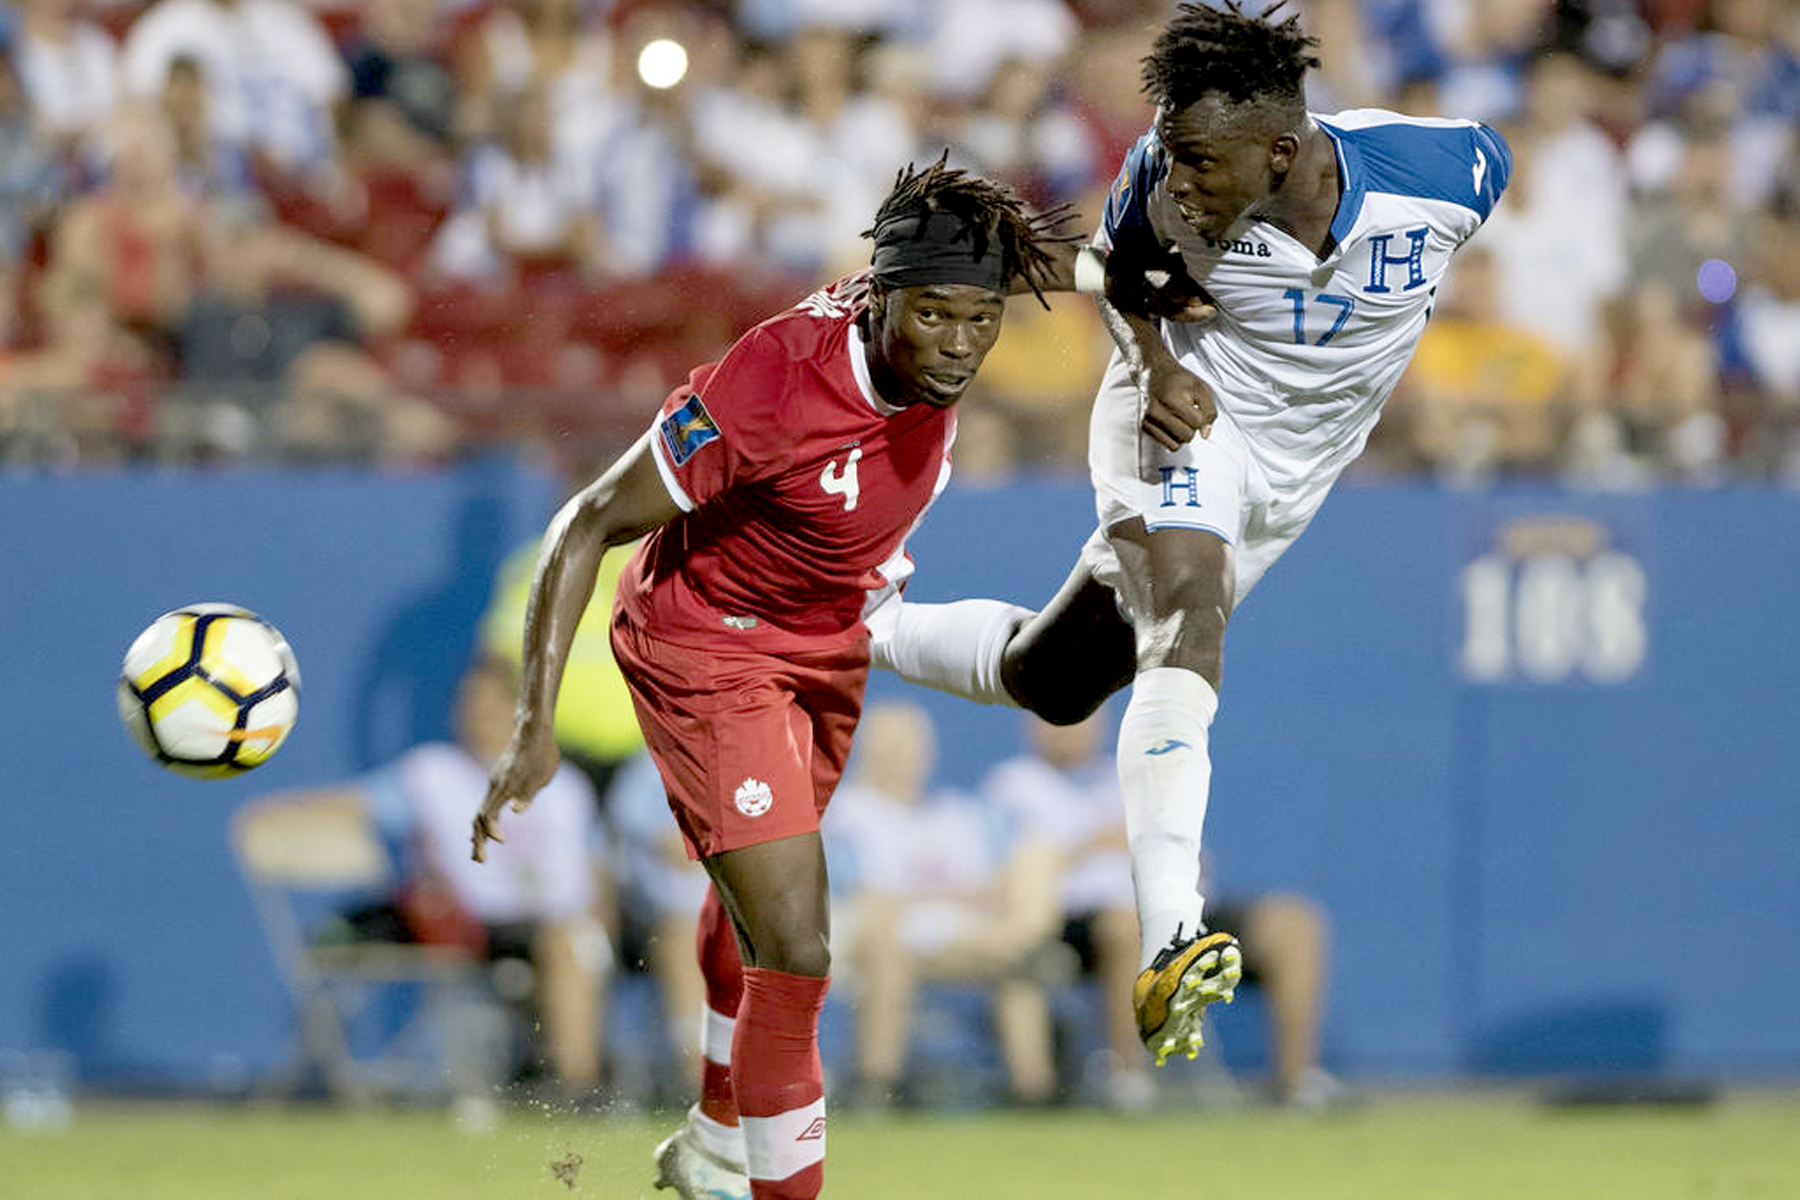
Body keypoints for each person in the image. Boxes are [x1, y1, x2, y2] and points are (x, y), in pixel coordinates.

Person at [872, 2, 1512, 1069]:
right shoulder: (1163, 195)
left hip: (1300, 475)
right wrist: (1158, 363)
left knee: (1059, 677)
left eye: (1201, 160)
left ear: (1279, 149)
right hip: (1186, 407)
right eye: (1168, 155)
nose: (1178, 179)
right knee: (1190, 619)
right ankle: (1173, 928)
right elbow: (1119, 281)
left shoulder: (1445, 173)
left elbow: (1490, 170)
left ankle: (856, 626)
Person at [471, 159, 1074, 1200]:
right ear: (878, 296)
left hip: (823, 646)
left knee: (754, 908)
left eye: (983, 321)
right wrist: (534, 724)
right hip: (706, 644)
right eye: (935, 316)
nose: (962, 345)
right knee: (797, 947)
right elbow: (584, 525)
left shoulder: (936, 372)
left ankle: (713, 1132)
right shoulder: (771, 383)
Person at [236, 656, 609, 1100]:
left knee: (584, 939)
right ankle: (577, 1091)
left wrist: (599, 925)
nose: (479, 714)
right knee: (568, 942)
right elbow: (351, 804)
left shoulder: (564, 785)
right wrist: (270, 814)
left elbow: (595, 871)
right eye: (469, 703)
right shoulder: (433, 775)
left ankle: (571, 1078)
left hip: (555, 924)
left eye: (493, 703)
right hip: (470, 924)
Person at [984, 711, 1341, 1110]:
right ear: (1035, 724)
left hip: (1175, 908)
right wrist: (1092, 845)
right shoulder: (1011, 787)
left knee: (1293, 923)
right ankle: (1128, 1080)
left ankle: (1295, 1080)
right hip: (1079, 917)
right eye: (1058, 715)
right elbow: (999, 878)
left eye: (1081, 715)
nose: (1071, 726)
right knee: (1127, 925)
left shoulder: (1136, 775)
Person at [827, 700, 1063, 1110]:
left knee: (1035, 863)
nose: (903, 757)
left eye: (911, 746)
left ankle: (1033, 1092)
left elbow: (994, 887)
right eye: (892, 747)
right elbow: (866, 901)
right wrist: (949, 896)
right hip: (874, 937)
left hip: (961, 933)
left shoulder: (959, 814)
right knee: (892, 946)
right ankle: (875, 1084)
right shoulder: (846, 815)